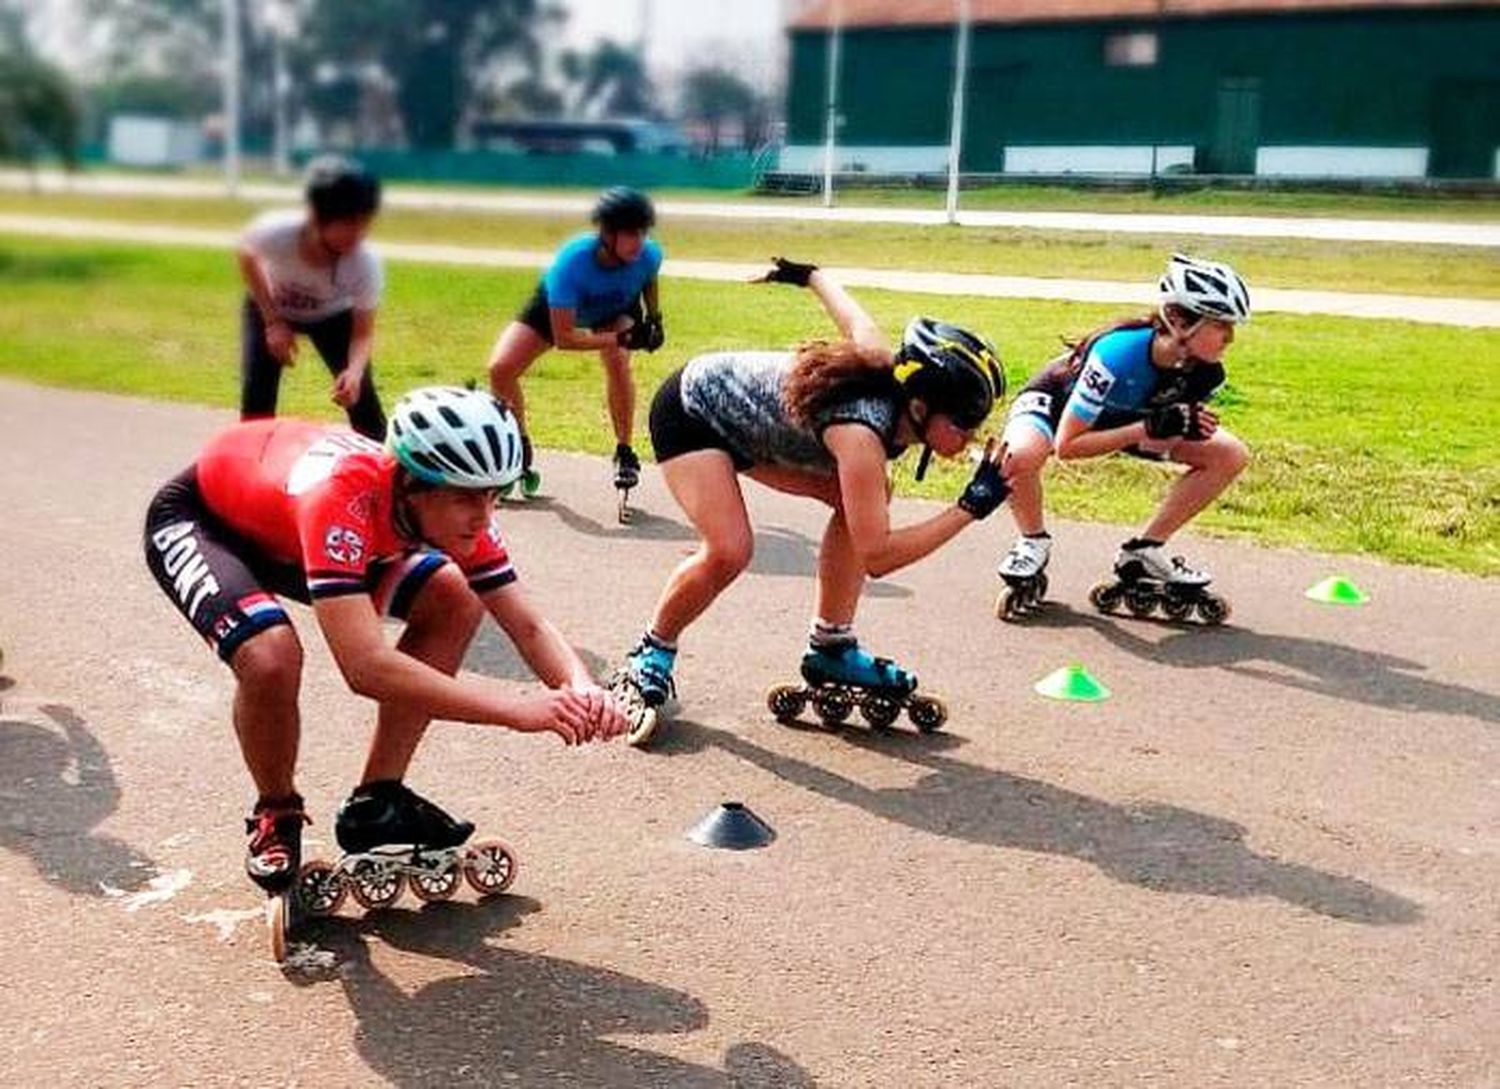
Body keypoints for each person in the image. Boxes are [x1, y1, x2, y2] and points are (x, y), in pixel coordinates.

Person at [143, 387, 628, 895]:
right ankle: (276, 811)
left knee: (455, 597)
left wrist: (581, 687)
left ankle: (377, 801)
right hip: (207, 521)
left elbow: (527, 623)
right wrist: (519, 710)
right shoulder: (340, 498)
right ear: (412, 485)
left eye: (494, 494)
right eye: (465, 496)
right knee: (270, 656)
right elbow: (365, 667)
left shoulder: (457, 509)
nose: (484, 516)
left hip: (293, 526)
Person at [613, 257, 1011, 746]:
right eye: (963, 423)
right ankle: (650, 653)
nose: (971, 435)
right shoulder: (861, 435)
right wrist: (968, 508)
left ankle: (831, 644)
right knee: (730, 549)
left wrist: (806, 274)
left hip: (754, 429)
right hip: (692, 412)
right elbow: (879, 557)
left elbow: (853, 317)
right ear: (921, 406)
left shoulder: (886, 369)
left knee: (869, 499)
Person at [994, 253, 1252, 603]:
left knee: (1230, 454)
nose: (1230, 337)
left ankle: (1144, 550)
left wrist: (1179, 427)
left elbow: (1153, 436)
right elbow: (1067, 447)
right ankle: (1032, 541)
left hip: (1123, 419)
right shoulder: (1119, 352)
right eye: (1221, 324)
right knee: (1017, 455)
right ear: (1177, 319)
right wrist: (1146, 428)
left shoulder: (1207, 372)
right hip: (1057, 408)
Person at [486, 186, 665, 499]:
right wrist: (623, 336)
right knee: (501, 367)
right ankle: (518, 443)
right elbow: (565, 339)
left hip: (614, 309)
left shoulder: (648, 254)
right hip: (560, 312)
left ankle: (625, 451)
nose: (640, 241)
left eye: (643, 232)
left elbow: (649, 278)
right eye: (630, 233)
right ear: (608, 234)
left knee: (618, 360)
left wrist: (655, 318)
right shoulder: (570, 265)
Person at [237, 155, 387, 440]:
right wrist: (272, 321)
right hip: (271, 307)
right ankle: (250, 469)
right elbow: (246, 254)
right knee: (256, 402)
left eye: (364, 222)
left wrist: (354, 373)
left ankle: (388, 475)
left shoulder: (365, 262)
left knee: (363, 405)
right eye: (348, 222)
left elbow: (363, 332)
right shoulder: (276, 232)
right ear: (317, 217)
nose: (358, 233)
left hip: (333, 317)